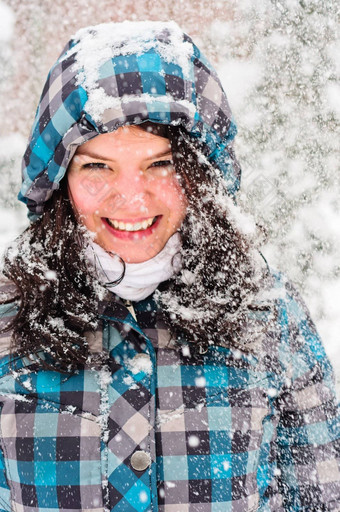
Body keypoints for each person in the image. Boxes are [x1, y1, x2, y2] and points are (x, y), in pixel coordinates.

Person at [0, 20, 339, 512]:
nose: (132, 198)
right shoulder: (9, 321)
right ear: (57, 181)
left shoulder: (268, 318)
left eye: (160, 165)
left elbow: (322, 495)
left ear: (200, 173)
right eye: (97, 166)